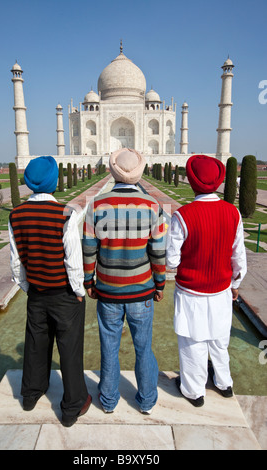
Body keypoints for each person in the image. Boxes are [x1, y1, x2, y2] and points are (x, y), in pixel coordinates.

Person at [9, 156, 91, 427]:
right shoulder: (66, 213)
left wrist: (28, 286)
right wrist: (78, 290)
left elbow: (16, 259)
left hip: (37, 294)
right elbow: (72, 259)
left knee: (35, 343)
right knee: (69, 349)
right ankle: (72, 407)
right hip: (65, 295)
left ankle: (31, 395)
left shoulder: (16, 214)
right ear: (55, 182)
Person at [83, 148, 167, 414]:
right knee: (143, 348)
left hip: (107, 291)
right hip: (142, 291)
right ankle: (147, 401)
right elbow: (158, 251)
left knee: (109, 347)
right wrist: (160, 283)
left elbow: (88, 249)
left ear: (112, 170)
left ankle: (108, 401)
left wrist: (89, 281)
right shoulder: (153, 206)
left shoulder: (96, 205)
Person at [166, 154, 247, 407]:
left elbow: (171, 261)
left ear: (191, 182)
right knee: (219, 339)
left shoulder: (183, 216)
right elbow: (238, 256)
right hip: (221, 290)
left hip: (191, 292)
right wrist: (235, 285)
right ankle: (224, 384)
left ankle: (194, 391)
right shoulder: (232, 213)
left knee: (193, 342)